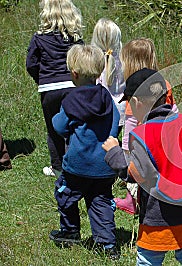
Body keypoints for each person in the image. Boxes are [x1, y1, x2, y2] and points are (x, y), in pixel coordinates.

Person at [102, 68, 182, 265]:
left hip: (161, 212)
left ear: (136, 102)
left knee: (147, 258)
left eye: (128, 103)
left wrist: (114, 153)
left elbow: (135, 174)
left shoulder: (143, 134)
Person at [49, 44, 120, 260]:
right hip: (105, 165)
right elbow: (116, 123)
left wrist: (56, 118)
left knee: (65, 194)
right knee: (100, 201)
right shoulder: (106, 98)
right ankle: (107, 245)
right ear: (99, 72)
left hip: (77, 165)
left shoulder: (71, 100)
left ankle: (70, 231)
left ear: (74, 74)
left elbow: (60, 127)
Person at [113, 38, 177, 215]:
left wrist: (125, 151)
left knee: (140, 173)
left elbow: (130, 126)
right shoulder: (164, 84)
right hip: (165, 139)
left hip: (143, 143)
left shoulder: (134, 94)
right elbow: (174, 110)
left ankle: (134, 201)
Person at [26, 0, 84, 177]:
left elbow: (31, 64)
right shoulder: (75, 37)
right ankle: (78, 164)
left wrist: (41, 79)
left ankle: (58, 167)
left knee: (53, 129)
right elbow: (83, 62)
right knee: (75, 127)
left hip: (49, 88)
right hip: (73, 86)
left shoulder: (38, 38)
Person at [91, 18, 125, 135]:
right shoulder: (124, 59)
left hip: (100, 109)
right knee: (113, 139)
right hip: (121, 110)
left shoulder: (93, 61)